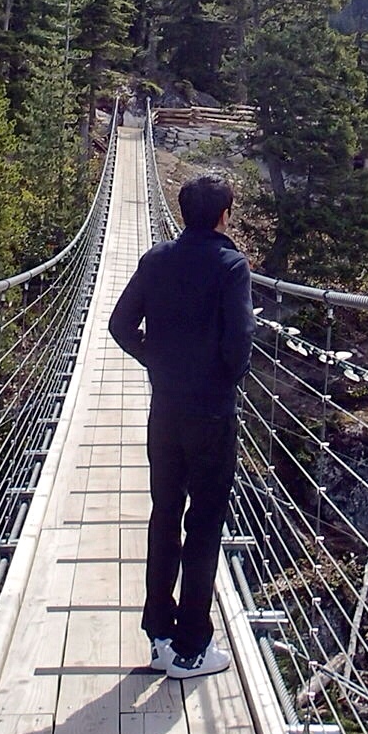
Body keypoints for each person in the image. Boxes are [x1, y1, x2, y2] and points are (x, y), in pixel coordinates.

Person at [108, 173, 254, 680]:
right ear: (223, 215)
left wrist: (155, 361)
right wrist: (223, 378)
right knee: (205, 523)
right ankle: (193, 647)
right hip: (211, 412)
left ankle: (159, 634)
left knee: (165, 515)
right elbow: (239, 344)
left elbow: (120, 325)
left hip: (165, 410)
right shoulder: (232, 265)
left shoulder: (156, 259)